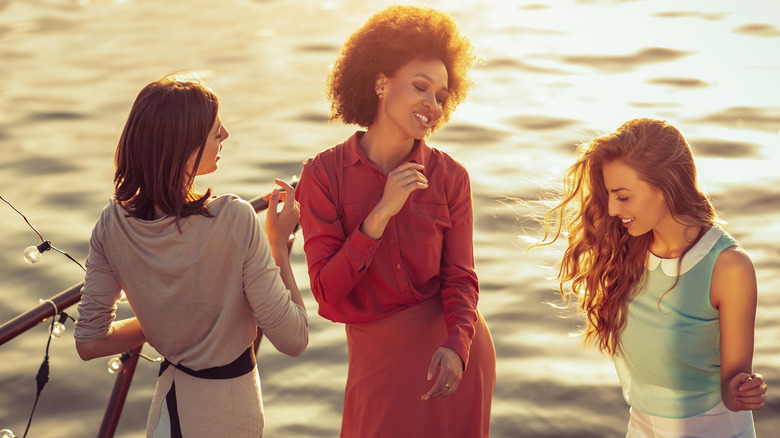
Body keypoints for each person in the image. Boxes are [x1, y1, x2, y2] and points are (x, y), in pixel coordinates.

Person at [294, 5, 495, 438]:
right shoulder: (323, 176)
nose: (432, 104)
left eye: (441, 96)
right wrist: (381, 213)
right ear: (381, 82)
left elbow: (461, 278)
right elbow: (327, 297)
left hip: (452, 357)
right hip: (378, 362)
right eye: (421, 86)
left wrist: (459, 347)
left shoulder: (451, 178)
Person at [74, 73, 308, 437]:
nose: (226, 134)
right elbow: (294, 338)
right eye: (216, 129)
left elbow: (89, 343)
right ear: (184, 146)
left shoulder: (111, 222)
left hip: (166, 415)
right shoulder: (234, 217)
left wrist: (162, 322)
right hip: (226, 417)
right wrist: (277, 242)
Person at [538, 118, 767, 437]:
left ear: (666, 186)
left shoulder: (728, 266)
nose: (612, 209)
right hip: (641, 426)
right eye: (608, 194)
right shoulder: (628, 250)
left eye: (623, 196)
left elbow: (732, 385)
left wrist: (743, 390)